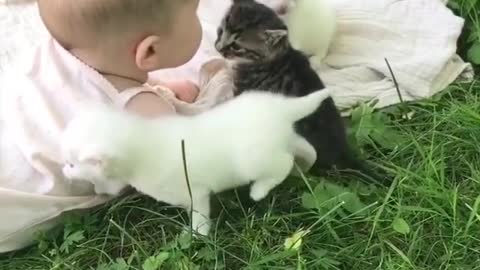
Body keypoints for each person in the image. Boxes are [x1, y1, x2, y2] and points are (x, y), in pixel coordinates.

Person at [0, 0, 211, 253]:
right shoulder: (136, 116)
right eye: (195, 12)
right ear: (150, 51)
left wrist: (158, 91)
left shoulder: (56, 50)